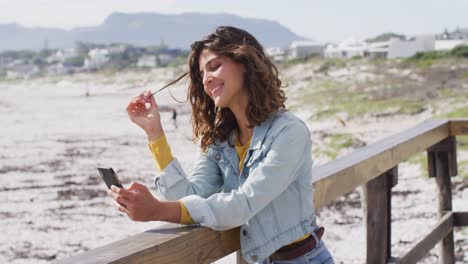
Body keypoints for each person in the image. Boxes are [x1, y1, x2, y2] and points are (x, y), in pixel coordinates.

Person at [108, 26, 334, 264]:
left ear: (245, 62)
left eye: (214, 66)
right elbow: (188, 197)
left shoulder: (289, 132)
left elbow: (243, 204)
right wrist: (155, 134)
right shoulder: (220, 139)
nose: (206, 79)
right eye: (202, 74)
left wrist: (157, 210)